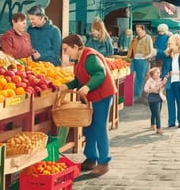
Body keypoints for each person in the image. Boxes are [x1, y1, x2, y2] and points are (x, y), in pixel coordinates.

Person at [59, 34, 116, 177]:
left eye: (66, 49)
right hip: (92, 97)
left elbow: (100, 73)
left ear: (76, 47)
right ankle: (91, 158)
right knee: (89, 127)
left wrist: (88, 87)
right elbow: (79, 80)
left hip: (103, 96)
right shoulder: (78, 60)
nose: (65, 53)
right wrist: (67, 85)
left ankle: (104, 162)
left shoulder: (90, 57)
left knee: (99, 128)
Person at [130, 24, 154, 104]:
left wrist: (145, 57)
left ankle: (138, 96)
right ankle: (136, 95)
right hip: (135, 59)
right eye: (137, 30)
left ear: (143, 30)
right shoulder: (136, 38)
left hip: (143, 60)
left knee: (140, 78)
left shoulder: (148, 38)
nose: (138, 32)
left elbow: (150, 50)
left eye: (139, 30)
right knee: (133, 77)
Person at [144, 67, 167, 134]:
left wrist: (163, 83)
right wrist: (151, 90)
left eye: (159, 73)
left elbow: (161, 88)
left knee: (157, 113)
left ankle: (154, 125)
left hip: (159, 97)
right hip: (152, 98)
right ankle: (157, 127)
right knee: (155, 113)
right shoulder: (149, 81)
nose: (158, 74)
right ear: (152, 74)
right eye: (157, 73)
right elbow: (145, 89)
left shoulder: (160, 80)